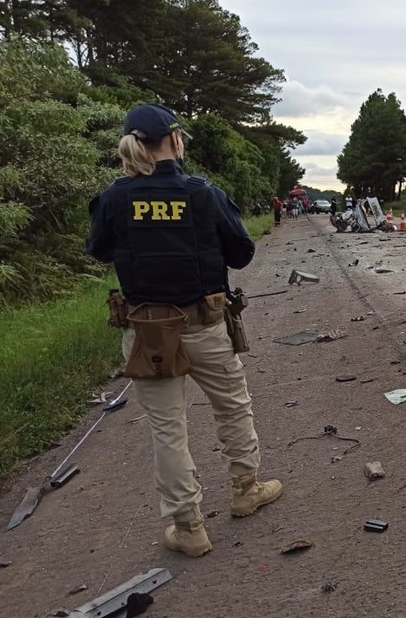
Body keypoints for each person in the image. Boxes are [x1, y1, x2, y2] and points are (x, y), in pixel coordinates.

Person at [86, 103, 282, 558]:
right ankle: (245, 491)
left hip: (149, 334)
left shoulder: (114, 198)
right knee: (233, 409)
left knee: (167, 430)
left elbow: (97, 250)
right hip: (207, 325)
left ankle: (189, 527)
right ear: (174, 140)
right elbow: (242, 254)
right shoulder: (203, 193)